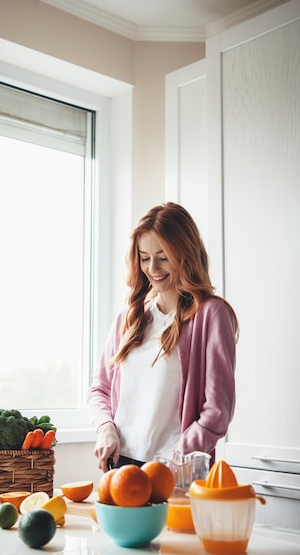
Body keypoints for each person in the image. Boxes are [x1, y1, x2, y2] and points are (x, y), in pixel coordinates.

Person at [87, 202, 238, 472]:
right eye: (145, 257)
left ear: (185, 254)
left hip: (177, 469)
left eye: (163, 256)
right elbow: (100, 389)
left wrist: (173, 462)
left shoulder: (212, 316)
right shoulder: (128, 319)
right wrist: (105, 429)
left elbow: (217, 412)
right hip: (121, 466)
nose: (152, 267)